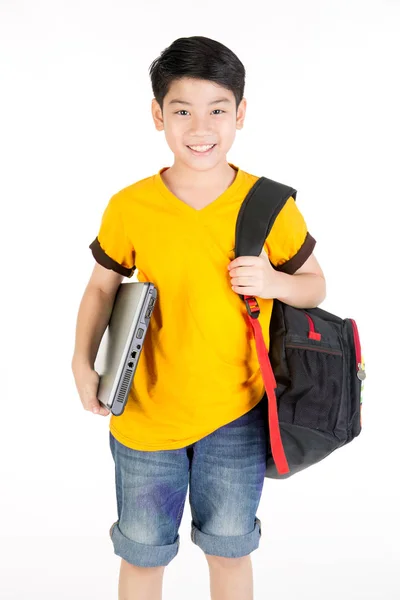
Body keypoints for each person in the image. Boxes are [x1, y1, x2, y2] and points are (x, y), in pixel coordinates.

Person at [71, 35, 326, 600]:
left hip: (236, 415)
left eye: (217, 110)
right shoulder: (130, 205)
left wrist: (274, 282)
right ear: (158, 115)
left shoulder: (269, 204)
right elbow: (98, 289)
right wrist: (80, 362)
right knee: (141, 555)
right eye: (182, 111)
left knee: (230, 552)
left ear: (240, 114)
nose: (200, 127)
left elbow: (315, 287)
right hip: (142, 418)